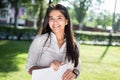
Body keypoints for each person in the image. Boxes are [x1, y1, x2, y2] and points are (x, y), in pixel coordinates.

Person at [26, 3, 81, 80]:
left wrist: (74, 73)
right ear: (48, 21)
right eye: (51, 18)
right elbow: (29, 68)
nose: (55, 22)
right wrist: (48, 69)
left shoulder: (74, 45)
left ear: (66, 21)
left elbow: (77, 68)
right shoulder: (39, 40)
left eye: (59, 18)